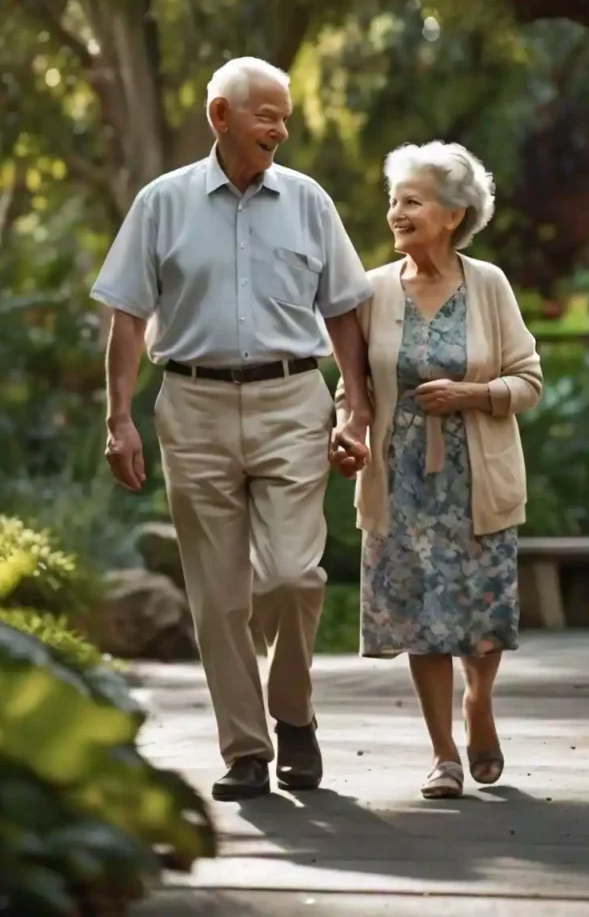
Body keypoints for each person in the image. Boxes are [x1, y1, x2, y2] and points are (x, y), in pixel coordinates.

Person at [90, 56, 373, 801]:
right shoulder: (163, 203)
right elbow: (125, 312)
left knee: (291, 576)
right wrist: (118, 418)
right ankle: (246, 751)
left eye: (284, 114)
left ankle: (295, 715)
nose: (280, 126)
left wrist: (356, 406)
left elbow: (344, 308)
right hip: (193, 406)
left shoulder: (309, 202)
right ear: (221, 116)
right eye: (265, 113)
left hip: (291, 401)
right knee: (218, 598)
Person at [332, 140, 543, 799]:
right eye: (394, 201)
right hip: (401, 483)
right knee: (421, 617)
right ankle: (443, 755)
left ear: (453, 215)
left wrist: (472, 395)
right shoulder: (370, 291)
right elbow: (353, 385)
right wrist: (348, 430)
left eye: (413, 201)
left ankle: (478, 704)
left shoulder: (489, 286)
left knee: (481, 615)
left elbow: (528, 380)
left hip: (476, 482)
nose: (397, 213)